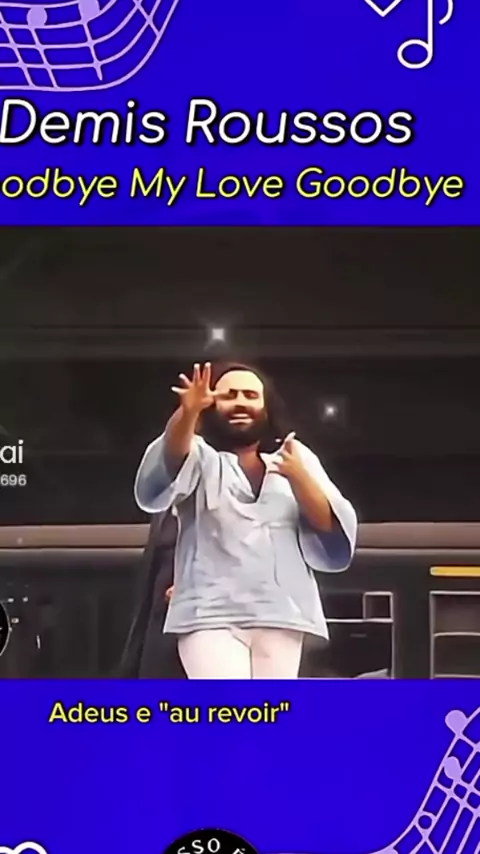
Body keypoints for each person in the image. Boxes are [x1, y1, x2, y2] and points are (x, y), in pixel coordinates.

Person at [134, 362, 357, 679]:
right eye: (229, 395)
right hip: (209, 614)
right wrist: (187, 413)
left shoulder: (295, 456)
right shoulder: (199, 457)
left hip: (282, 614)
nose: (240, 402)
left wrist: (298, 477)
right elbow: (170, 461)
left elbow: (330, 529)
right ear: (212, 405)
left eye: (250, 395)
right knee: (230, 706)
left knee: (270, 709)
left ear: (266, 406)